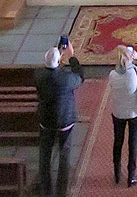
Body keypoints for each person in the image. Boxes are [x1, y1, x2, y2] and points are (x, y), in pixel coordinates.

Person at [34, 43, 83, 196]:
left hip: (46, 119)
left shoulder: (38, 74)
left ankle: (45, 190)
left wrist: (58, 58)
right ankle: (61, 191)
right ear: (59, 61)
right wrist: (71, 57)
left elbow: (51, 72)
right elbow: (80, 77)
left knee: (44, 153)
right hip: (64, 120)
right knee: (64, 154)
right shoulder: (66, 78)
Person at [108, 45, 137, 186]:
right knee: (132, 143)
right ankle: (131, 175)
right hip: (134, 114)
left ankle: (116, 172)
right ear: (129, 58)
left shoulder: (112, 75)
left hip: (117, 113)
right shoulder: (134, 73)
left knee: (118, 141)